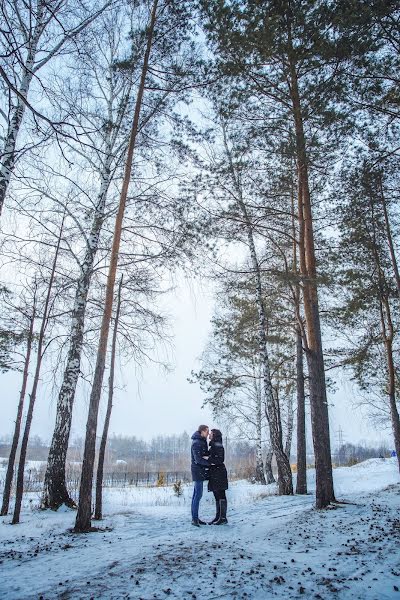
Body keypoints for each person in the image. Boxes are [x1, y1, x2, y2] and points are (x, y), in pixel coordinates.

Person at [208, 428, 228, 525]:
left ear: (215, 435)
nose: (209, 435)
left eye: (211, 433)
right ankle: (218, 516)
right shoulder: (213, 445)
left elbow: (220, 459)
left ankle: (223, 518)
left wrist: (209, 458)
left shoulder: (218, 445)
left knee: (221, 494)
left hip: (219, 473)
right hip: (215, 472)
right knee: (216, 495)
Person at [190, 424, 210, 527]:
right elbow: (198, 459)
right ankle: (194, 519)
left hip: (200, 470)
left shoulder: (201, 441)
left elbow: (204, 454)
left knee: (196, 495)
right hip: (197, 471)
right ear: (202, 431)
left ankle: (195, 518)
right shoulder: (196, 442)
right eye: (207, 431)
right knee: (198, 495)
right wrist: (209, 463)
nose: (208, 433)